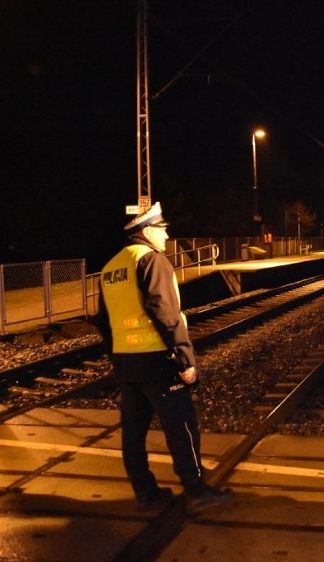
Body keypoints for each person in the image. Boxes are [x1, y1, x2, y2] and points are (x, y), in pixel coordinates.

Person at [95, 202, 232, 515]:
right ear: (146, 231)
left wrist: (117, 358)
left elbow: (103, 321)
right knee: (181, 426)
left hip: (128, 364)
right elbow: (164, 312)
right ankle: (196, 490)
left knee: (133, 433)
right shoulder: (152, 261)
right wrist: (186, 359)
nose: (167, 235)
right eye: (162, 229)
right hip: (158, 361)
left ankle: (145, 493)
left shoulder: (111, 267)